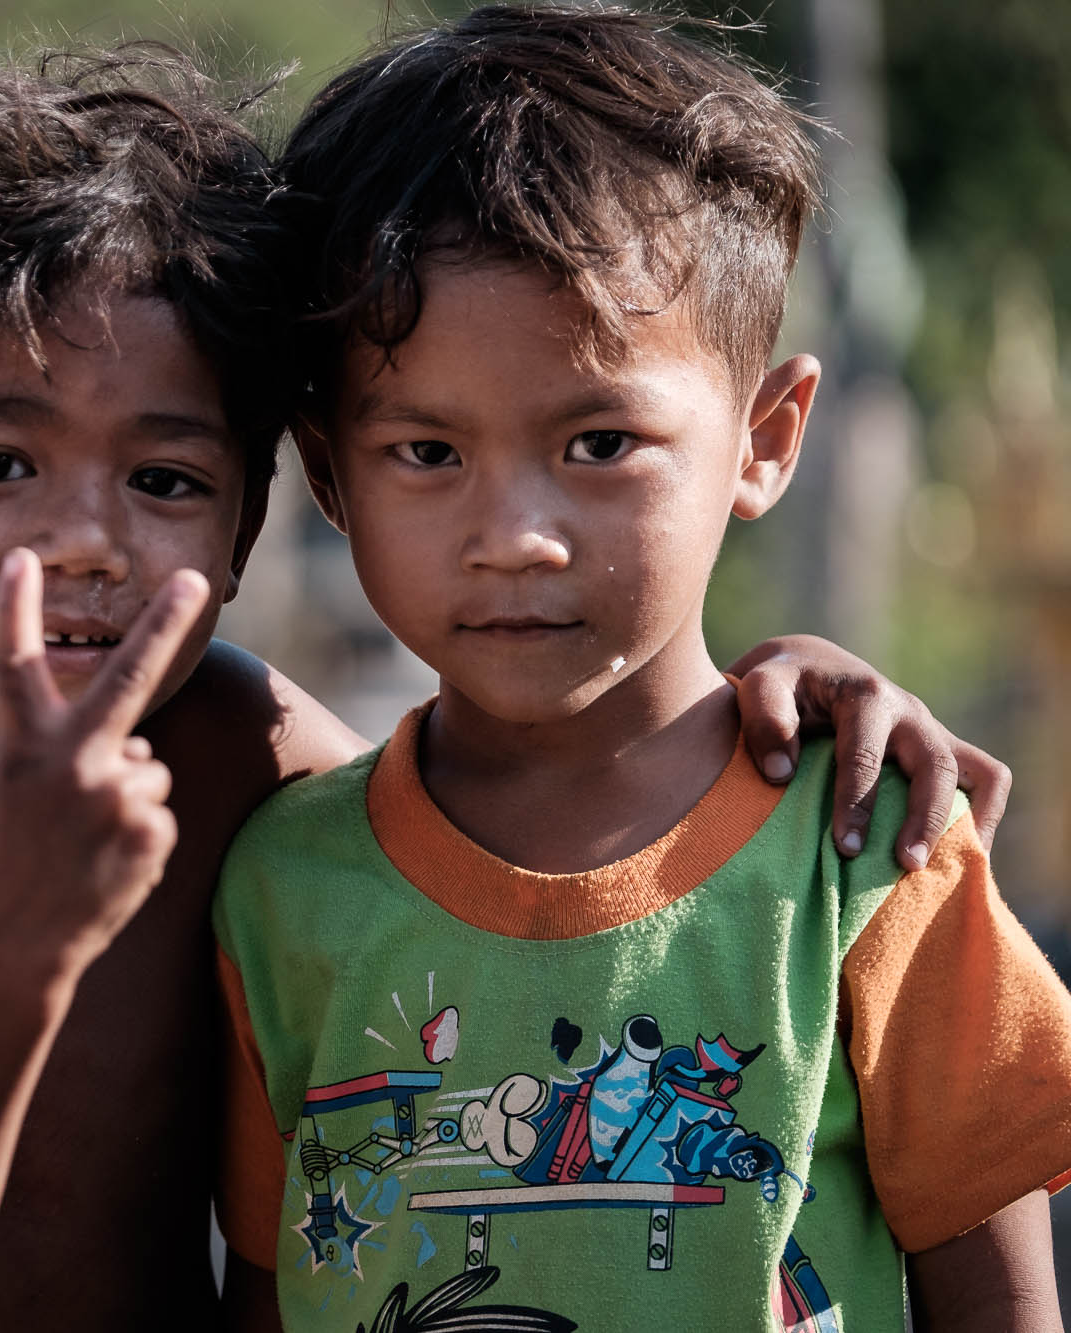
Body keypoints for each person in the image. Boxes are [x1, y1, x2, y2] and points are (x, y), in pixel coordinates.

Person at [0, 43, 1013, 1331]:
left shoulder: (231, 754)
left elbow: (513, 811)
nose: (90, 538)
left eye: (166, 481)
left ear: (247, 529)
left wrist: (785, 697)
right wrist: (12, 941)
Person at [212, 9, 1071, 1330]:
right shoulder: (284, 890)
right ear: (330, 474)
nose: (515, 537)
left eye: (601, 441)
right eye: (427, 453)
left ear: (765, 440)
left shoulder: (864, 854)